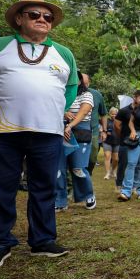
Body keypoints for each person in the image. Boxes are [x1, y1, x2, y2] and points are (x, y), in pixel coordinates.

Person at [0, 0, 77, 269]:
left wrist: (52, 110)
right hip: (1, 131)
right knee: (0, 187)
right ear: (19, 19)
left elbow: (70, 89)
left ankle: (42, 240)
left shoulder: (63, 53)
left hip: (48, 131)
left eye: (48, 17)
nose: (42, 19)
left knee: (44, 186)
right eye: (34, 14)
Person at [55, 71, 96, 211]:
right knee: (58, 169)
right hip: (59, 131)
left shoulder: (87, 95)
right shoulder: (60, 94)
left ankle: (88, 195)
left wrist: (70, 126)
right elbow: (53, 108)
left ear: (79, 81)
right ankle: (60, 201)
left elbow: (83, 112)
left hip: (80, 132)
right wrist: (64, 113)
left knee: (78, 168)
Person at [118, 86, 140, 201]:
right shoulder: (137, 108)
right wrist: (132, 131)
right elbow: (130, 122)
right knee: (131, 163)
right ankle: (126, 192)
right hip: (136, 137)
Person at [114, 91, 140, 192]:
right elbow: (117, 125)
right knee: (123, 163)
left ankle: (134, 186)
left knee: (137, 164)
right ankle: (119, 184)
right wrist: (123, 136)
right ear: (134, 98)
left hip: (139, 141)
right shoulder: (124, 111)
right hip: (125, 141)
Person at [82, 73, 107, 175]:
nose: (83, 85)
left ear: (89, 82)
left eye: (85, 83)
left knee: (92, 157)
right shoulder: (73, 93)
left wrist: (104, 131)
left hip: (93, 132)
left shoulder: (96, 94)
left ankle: (88, 174)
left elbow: (103, 113)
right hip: (77, 130)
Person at [102, 107, 119, 180]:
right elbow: (102, 129)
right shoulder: (106, 121)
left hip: (117, 142)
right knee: (107, 156)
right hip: (107, 141)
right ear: (109, 114)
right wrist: (105, 132)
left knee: (116, 159)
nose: (114, 115)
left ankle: (113, 170)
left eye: (115, 114)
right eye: (112, 114)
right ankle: (107, 173)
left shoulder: (120, 121)